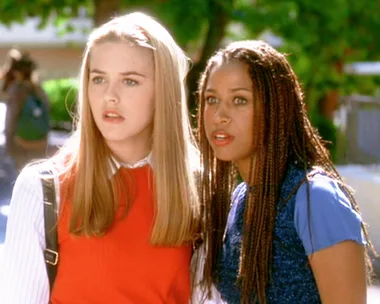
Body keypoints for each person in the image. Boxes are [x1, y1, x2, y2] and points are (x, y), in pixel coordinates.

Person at [0, 12, 200, 303]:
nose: (110, 96)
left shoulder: (199, 189)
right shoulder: (43, 189)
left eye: (130, 81)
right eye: (98, 79)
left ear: (163, 91)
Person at [193, 40, 375, 303]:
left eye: (239, 100)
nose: (220, 115)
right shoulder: (239, 200)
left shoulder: (317, 198)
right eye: (212, 99)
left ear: (275, 109)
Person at [0, 49, 50, 170]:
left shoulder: (17, 90)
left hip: (20, 144)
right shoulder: (38, 89)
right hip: (40, 143)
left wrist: (9, 146)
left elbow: (11, 120)